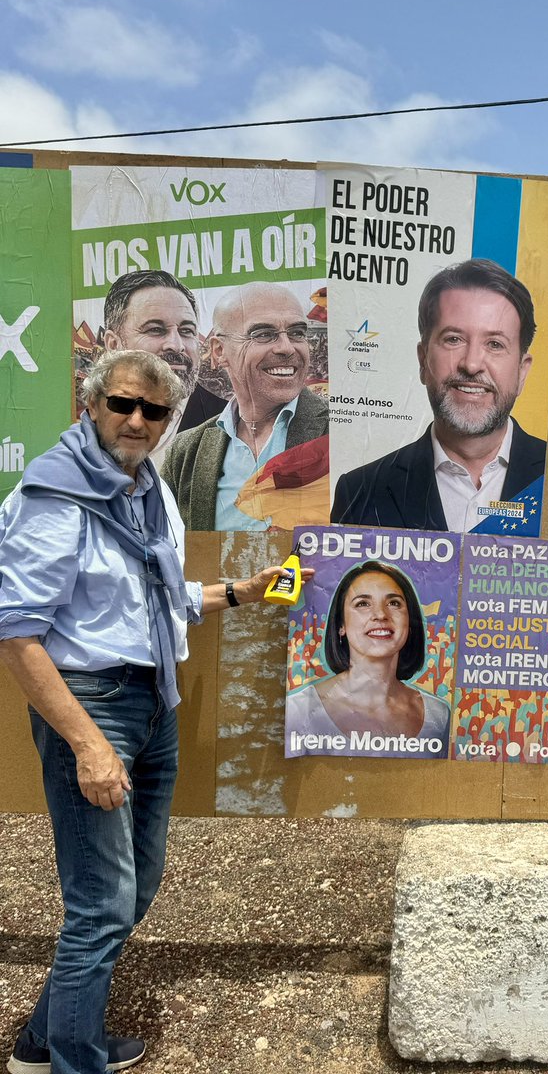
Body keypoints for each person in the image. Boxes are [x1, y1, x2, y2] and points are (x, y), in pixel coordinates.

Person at [0, 349, 311, 1074]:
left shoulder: (147, 493)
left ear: (171, 420)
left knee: (134, 884)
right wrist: (87, 745)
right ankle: (76, 1062)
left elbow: (155, 602)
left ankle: (42, 1041)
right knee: (99, 904)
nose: (137, 419)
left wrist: (238, 592)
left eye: (154, 410)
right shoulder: (54, 498)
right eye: (122, 404)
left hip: (152, 700)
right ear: (90, 405)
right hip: (94, 706)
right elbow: (16, 635)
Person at [330, 259, 546, 533]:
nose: (471, 364)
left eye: (494, 344)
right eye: (454, 339)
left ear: (522, 371)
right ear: (423, 361)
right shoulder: (360, 491)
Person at [161, 281, 329, 530]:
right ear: (219, 351)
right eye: (263, 334)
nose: (286, 347)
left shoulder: (340, 435)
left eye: (297, 333)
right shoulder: (186, 452)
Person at [286, 560, 449, 757]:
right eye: (362, 603)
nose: (380, 614)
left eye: (394, 603)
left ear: (410, 622)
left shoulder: (438, 715)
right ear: (341, 625)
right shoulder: (299, 710)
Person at [101, 269, 227, 451]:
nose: (176, 346)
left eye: (186, 331)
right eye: (155, 329)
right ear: (113, 344)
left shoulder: (230, 423)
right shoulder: (93, 426)